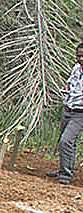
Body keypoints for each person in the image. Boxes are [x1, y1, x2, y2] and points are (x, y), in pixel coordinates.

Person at [45, 41, 82, 184]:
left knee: (66, 140)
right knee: (67, 142)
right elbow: (70, 83)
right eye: (78, 56)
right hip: (68, 107)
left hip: (80, 112)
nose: (80, 59)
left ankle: (66, 176)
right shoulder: (76, 69)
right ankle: (65, 170)